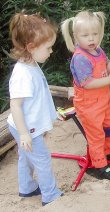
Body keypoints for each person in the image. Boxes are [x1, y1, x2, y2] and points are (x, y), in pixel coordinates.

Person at [61, 11, 110, 182]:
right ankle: (99, 165)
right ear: (76, 37)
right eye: (85, 35)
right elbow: (87, 83)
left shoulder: (97, 50)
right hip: (88, 104)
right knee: (96, 135)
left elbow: (105, 66)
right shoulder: (80, 58)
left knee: (108, 127)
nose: (91, 39)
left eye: (95, 34)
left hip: (103, 100)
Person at [7, 12, 63, 206]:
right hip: (25, 127)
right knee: (43, 160)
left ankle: (27, 187)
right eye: (48, 48)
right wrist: (24, 134)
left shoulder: (31, 64)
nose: (51, 52)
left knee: (26, 157)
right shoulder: (23, 74)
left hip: (27, 125)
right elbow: (15, 105)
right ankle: (50, 195)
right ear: (31, 47)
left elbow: (38, 99)